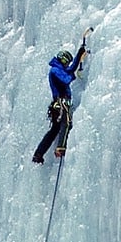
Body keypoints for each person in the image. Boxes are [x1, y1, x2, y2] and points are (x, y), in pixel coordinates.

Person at [32, 31, 90, 164]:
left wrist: (79, 54)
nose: (67, 64)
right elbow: (66, 79)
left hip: (57, 104)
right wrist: (73, 75)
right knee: (66, 123)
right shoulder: (55, 70)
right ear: (63, 59)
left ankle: (38, 154)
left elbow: (70, 69)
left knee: (54, 130)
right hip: (62, 102)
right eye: (66, 61)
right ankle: (60, 148)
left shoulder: (58, 68)